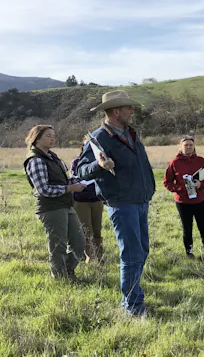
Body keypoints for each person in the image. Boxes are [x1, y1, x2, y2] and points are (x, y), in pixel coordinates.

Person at [76, 90, 155, 317]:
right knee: (131, 254)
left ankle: (131, 297)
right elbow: (80, 171)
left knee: (142, 251)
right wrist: (98, 166)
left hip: (140, 199)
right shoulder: (99, 138)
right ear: (117, 111)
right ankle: (132, 307)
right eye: (129, 108)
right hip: (121, 202)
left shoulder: (130, 133)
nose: (132, 111)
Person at [23, 125, 86, 279]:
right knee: (58, 246)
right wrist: (70, 188)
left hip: (65, 204)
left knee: (79, 243)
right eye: (48, 136)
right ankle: (60, 278)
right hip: (51, 208)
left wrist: (77, 181)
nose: (53, 138)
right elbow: (43, 189)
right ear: (36, 139)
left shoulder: (53, 157)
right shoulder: (36, 160)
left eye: (54, 135)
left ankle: (67, 271)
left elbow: (61, 179)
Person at [163, 136, 204, 258]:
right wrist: (180, 189)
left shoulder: (201, 161)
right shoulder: (174, 163)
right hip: (183, 202)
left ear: (194, 147)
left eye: (191, 145)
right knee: (187, 228)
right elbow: (167, 182)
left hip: (199, 200)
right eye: (185, 145)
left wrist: (201, 184)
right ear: (180, 147)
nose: (188, 147)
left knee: (203, 227)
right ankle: (189, 252)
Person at [71, 138, 105, 261]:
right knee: (86, 231)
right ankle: (90, 258)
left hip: (97, 199)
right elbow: (74, 178)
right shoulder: (77, 162)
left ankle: (99, 257)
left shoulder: (100, 162)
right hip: (81, 200)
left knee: (97, 230)